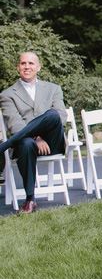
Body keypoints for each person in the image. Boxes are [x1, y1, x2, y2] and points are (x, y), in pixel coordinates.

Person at [0, 52, 67, 213]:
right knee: (26, 143)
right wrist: (36, 138)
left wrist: (41, 136)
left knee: (52, 115)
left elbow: (62, 116)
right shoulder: (7, 95)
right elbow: (15, 124)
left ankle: (5, 146)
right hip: (26, 143)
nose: (27, 66)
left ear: (38, 67)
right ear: (18, 68)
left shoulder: (53, 89)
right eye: (23, 63)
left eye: (31, 63)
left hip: (53, 141)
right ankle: (30, 199)